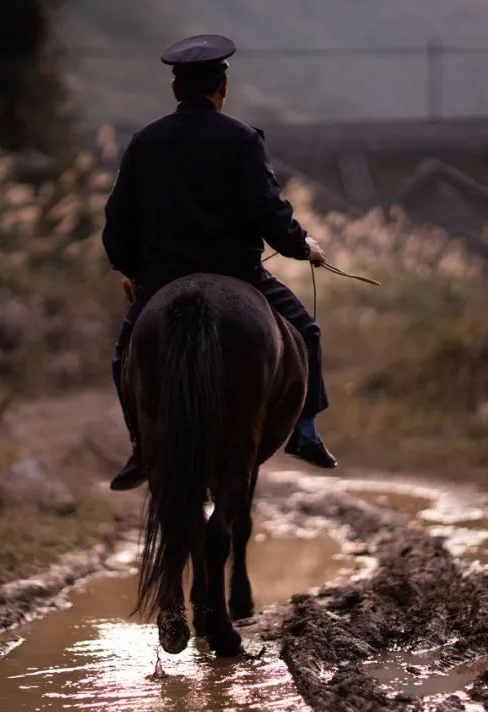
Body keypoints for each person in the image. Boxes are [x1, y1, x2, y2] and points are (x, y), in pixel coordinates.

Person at [104, 33, 337, 491]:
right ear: (222, 86)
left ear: (175, 90)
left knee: (122, 355)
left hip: (163, 278)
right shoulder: (242, 139)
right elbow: (269, 211)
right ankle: (305, 432)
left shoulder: (144, 142)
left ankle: (139, 447)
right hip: (238, 274)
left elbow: (116, 223)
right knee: (307, 333)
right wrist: (302, 245)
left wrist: (135, 270)